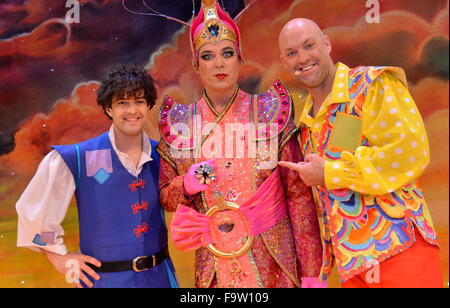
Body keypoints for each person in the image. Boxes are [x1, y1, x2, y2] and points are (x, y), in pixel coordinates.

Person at [157, 0, 323, 288]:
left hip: (274, 263)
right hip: (214, 267)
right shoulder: (181, 123)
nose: (219, 63)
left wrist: (311, 272)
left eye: (227, 53)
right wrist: (185, 185)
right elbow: (166, 196)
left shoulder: (270, 112)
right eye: (208, 56)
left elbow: (298, 197)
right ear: (196, 63)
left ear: (239, 58)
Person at [278, 18, 444, 288]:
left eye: (309, 45)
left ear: (327, 43)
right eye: (292, 53)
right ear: (284, 62)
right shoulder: (306, 124)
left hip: (400, 249)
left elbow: (407, 152)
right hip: (352, 267)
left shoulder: (372, 84)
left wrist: (331, 173)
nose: (303, 58)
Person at [16, 64, 178, 288]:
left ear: (149, 105)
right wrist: (58, 257)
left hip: (160, 280)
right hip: (103, 282)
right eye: (123, 103)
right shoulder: (79, 157)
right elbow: (34, 216)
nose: (132, 111)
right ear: (109, 108)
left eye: (139, 101)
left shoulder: (163, 157)